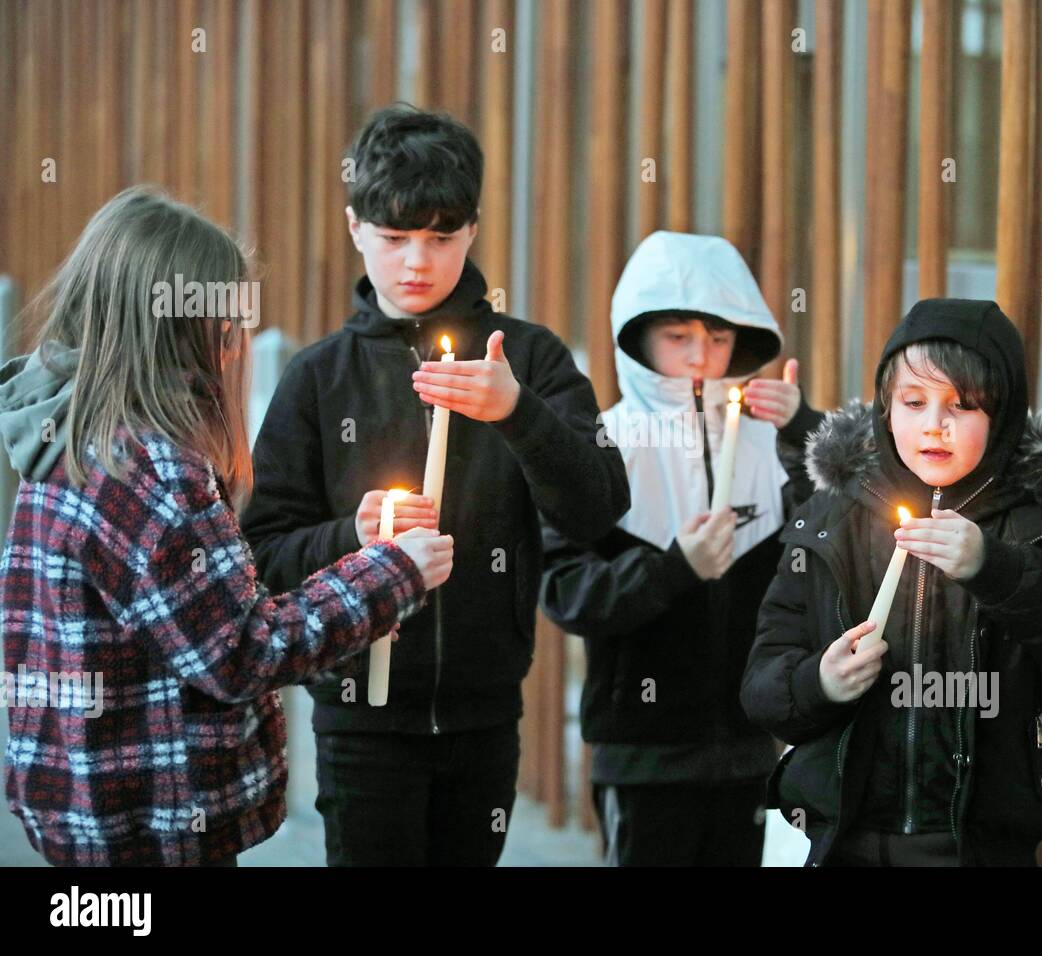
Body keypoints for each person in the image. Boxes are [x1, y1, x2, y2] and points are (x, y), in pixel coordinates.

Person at [0, 187, 450, 866]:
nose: (237, 340)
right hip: (156, 819)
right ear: (183, 324)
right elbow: (242, 652)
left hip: (83, 810)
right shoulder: (150, 471)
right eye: (229, 318)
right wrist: (394, 572)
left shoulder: (63, 431)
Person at [240, 104, 630, 866]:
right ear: (355, 228)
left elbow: (599, 508)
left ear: (474, 231)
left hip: (484, 712)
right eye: (394, 238)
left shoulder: (529, 358)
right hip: (357, 715)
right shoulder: (319, 378)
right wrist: (353, 535)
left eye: (441, 237)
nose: (417, 261)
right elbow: (260, 556)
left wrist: (518, 414)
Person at [741, 298, 1042, 866]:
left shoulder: (1035, 526)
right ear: (885, 407)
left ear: (1002, 418)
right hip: (844, 847)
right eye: (914, 401)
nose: (935, 425)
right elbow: (761, 685)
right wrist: (819, 682)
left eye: (963, 406)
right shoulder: (833, 520)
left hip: (979, 852)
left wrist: (994, 568)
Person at [540, 231, 825, 865]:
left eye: (720, 338)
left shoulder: (772, 445)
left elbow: (842, 539)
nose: (701, 356)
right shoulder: (601, 444)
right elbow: (565, 590)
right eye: (678, 336)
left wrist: (808, 430)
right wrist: (673, 570)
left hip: (750, 749)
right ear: (637, 338)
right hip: (643, 755)